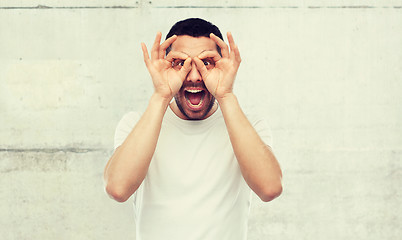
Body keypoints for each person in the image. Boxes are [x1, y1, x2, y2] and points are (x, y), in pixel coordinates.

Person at [103, 18, 282, 240]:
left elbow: (270, 188)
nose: (195, 76)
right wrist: (161, 95)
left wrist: (225, 94)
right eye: (181, 63)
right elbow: (117, 189)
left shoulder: (249, 127)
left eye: (206, 62)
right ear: (166, 64)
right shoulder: (137, 125)